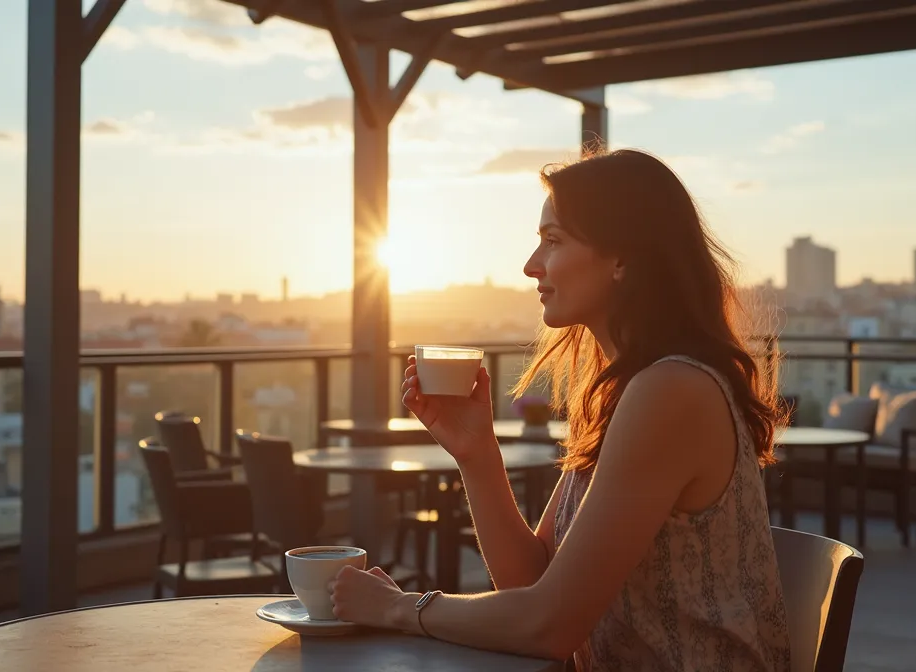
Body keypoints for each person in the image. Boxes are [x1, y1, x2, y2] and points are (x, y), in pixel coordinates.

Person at [329, 149, 792, 671]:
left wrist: (398, 609)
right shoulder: (626, 392)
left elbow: (550, 626)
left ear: (623, 258)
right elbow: (532, 583)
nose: (531, 266)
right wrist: (477, 454)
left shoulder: (672, 391)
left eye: (554, 241)